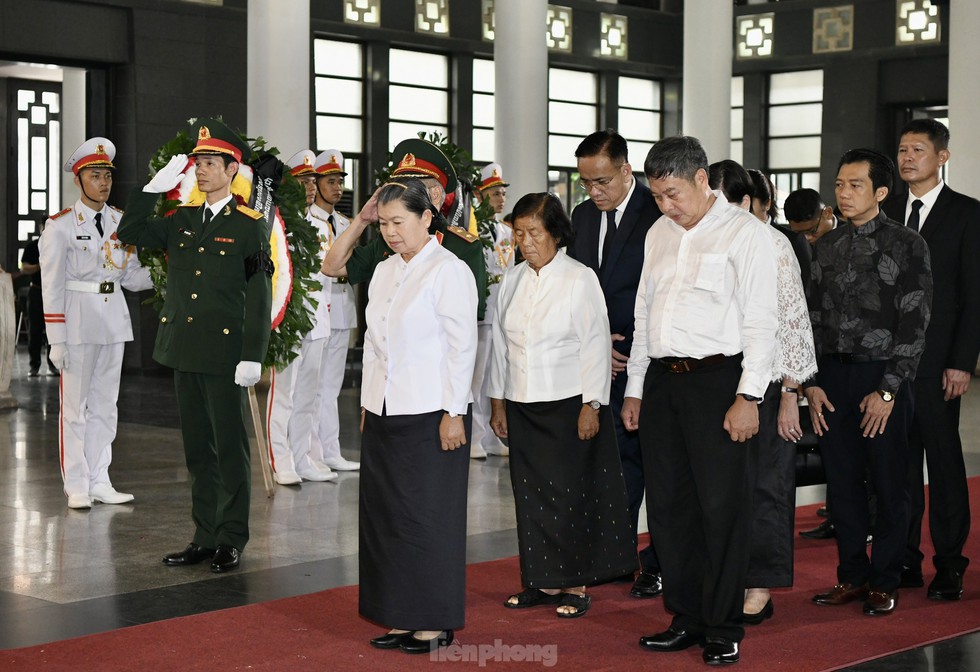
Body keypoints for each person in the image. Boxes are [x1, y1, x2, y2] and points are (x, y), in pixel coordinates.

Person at [621, 136, 778, 666]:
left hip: (720, 383)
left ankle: (722, 623)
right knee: (668, 508)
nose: (666, 205)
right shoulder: (658, 234)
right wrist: (636, 388)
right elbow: (644, 315)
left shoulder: (746, 234)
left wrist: (749, 395)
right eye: (657, 196)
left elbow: (762, 322)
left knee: (722, 508)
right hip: (664, 384)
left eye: (673, 194)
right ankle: (684, 616)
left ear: (702, 179)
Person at [117, 118, 273, 573]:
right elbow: (131, 231)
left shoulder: (250, 226)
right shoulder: (180, 219)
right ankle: (204, 535)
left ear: (231, 170)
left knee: (229, 447)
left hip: (225, 354)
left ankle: (231, 537)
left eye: (209, 163)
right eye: (198, 163)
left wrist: (253, 353)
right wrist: (150, 189)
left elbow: (260, 294)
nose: (200, 171)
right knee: (198, 449)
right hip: (184, 348)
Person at [488, 192, 637, 620]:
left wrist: (593, 403)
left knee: (570, 495)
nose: (526, 242)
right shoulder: (511, 280)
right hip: (521, 403)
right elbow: (500, 346)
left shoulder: (579, 277)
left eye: (534, 232)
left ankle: (575, 583)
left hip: (569, 402)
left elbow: (593, 345)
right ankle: (542, 579)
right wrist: (497, 401)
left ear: (556, 233)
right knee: (530, 495)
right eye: (518, 234)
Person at [806, 148, 932, 616]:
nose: (844, 193)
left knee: (890, 482)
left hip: (884, 376)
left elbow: (915, 323)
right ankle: (852, 576)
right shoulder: (825, 246)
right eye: (839, 184)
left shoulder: (907, 244)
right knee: (841, 484)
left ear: (880, 191)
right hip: (833, 377)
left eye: (855, 185)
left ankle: (886, 578)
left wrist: (889, 389)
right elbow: (811, 319)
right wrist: (811, 381)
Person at [358, 178, 477, 654]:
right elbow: (371, 343)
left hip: (431, 411)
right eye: (383, 223)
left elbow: (462, 347)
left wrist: (454, 411)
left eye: (399, 222)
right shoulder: (385, 271)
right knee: (386, 516)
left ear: (427, 218)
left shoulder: (449, 271)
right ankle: (398, 614)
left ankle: (432, 620)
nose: (390, 232)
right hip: (386, 409)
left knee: (428, 517)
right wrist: (369, 403)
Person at [708, 160, 817, 626]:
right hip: (714, 379)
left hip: (767, 382)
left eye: (724, 198)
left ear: (748, 201)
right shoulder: (701, 240)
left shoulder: (772, 244)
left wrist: (791, 392)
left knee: (765, 486)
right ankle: (723, 576)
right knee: (719, 488)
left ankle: (759, 584)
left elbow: (794, 321)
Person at [883, 119, 980, 601]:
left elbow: (973, 295)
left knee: (942, 465)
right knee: (897, 468)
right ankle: (904, 559)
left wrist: (962, 361)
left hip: (939, 362)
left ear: (942, 156)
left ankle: (950, 561)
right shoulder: (885, 212)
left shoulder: (967, 214)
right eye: (902, 150)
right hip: (887, 364)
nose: (907, 158)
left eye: (917, 150)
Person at [565, 130, 663, 600]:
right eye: (586, 183)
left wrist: (635, 347)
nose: (594, 191)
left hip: (646, 358)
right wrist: (596, 341)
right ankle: (616, 554)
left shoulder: (658, 213)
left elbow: (663, 291)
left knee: (650, 462)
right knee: (606, 461)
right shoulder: (583, 217)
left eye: (602, 180)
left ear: (627, 170)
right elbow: (577, 286)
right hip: (594, 360)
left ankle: (658, 561)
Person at [39, 137, 154, 510]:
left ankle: (99, 478)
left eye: (107, 175)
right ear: (79, 180)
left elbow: (132, 276)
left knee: (106, 405)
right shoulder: (60, 226)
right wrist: (55, 338)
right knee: (75, 408)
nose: (103, 182)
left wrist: (170, 273)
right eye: (95, 175)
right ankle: (76, 483)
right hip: (77, 321)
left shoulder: (122, 222)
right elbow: (51, 285)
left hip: (113, 320)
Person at [320, 138, 487, 322]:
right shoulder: (388, 242)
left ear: (435, 195)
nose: (401, 195)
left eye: (412, 189)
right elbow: (331, 267)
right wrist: (361, 220)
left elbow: (466, 322)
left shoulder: (463, 248)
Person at [264, 150, 336, 485]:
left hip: (318, 317)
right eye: (302, 181)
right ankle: (281, 460)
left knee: (310, 394)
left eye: (311, 180)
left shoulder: (321, 227)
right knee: (284, 394)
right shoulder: (276, 224)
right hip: (289, 318)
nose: (309, 187)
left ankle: (303, 455)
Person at [308, 148, 360, 473]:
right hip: (319, 308)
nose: (337, 187)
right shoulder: (307, 220)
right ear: (316, 183)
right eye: (331, 180)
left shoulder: (344, 222)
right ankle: (315, 452)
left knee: (332, 385)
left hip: (342, 307)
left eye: (340, 181)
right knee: (315, 385)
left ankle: (331, 449)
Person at [470, 162, 513, 460]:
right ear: (481, 195)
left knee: (494, 378)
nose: (501, 198)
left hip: (502, 311)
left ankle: (489, 436)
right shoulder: (474, 228)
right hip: (482, 311)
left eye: (502, 193)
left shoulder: (505, 229)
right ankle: (474, 438)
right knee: (476, 377)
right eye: (495, 193)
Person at [19, 218, 56, 376]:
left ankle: (53, 365)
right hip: (36, 292)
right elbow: (23, 268)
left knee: (53, 330)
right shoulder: (33, 246)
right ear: (41, 227)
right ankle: (34, 365)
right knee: (35, 330)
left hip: (53, 292)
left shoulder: (57, 246)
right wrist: (40, 266)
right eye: (45, 226)